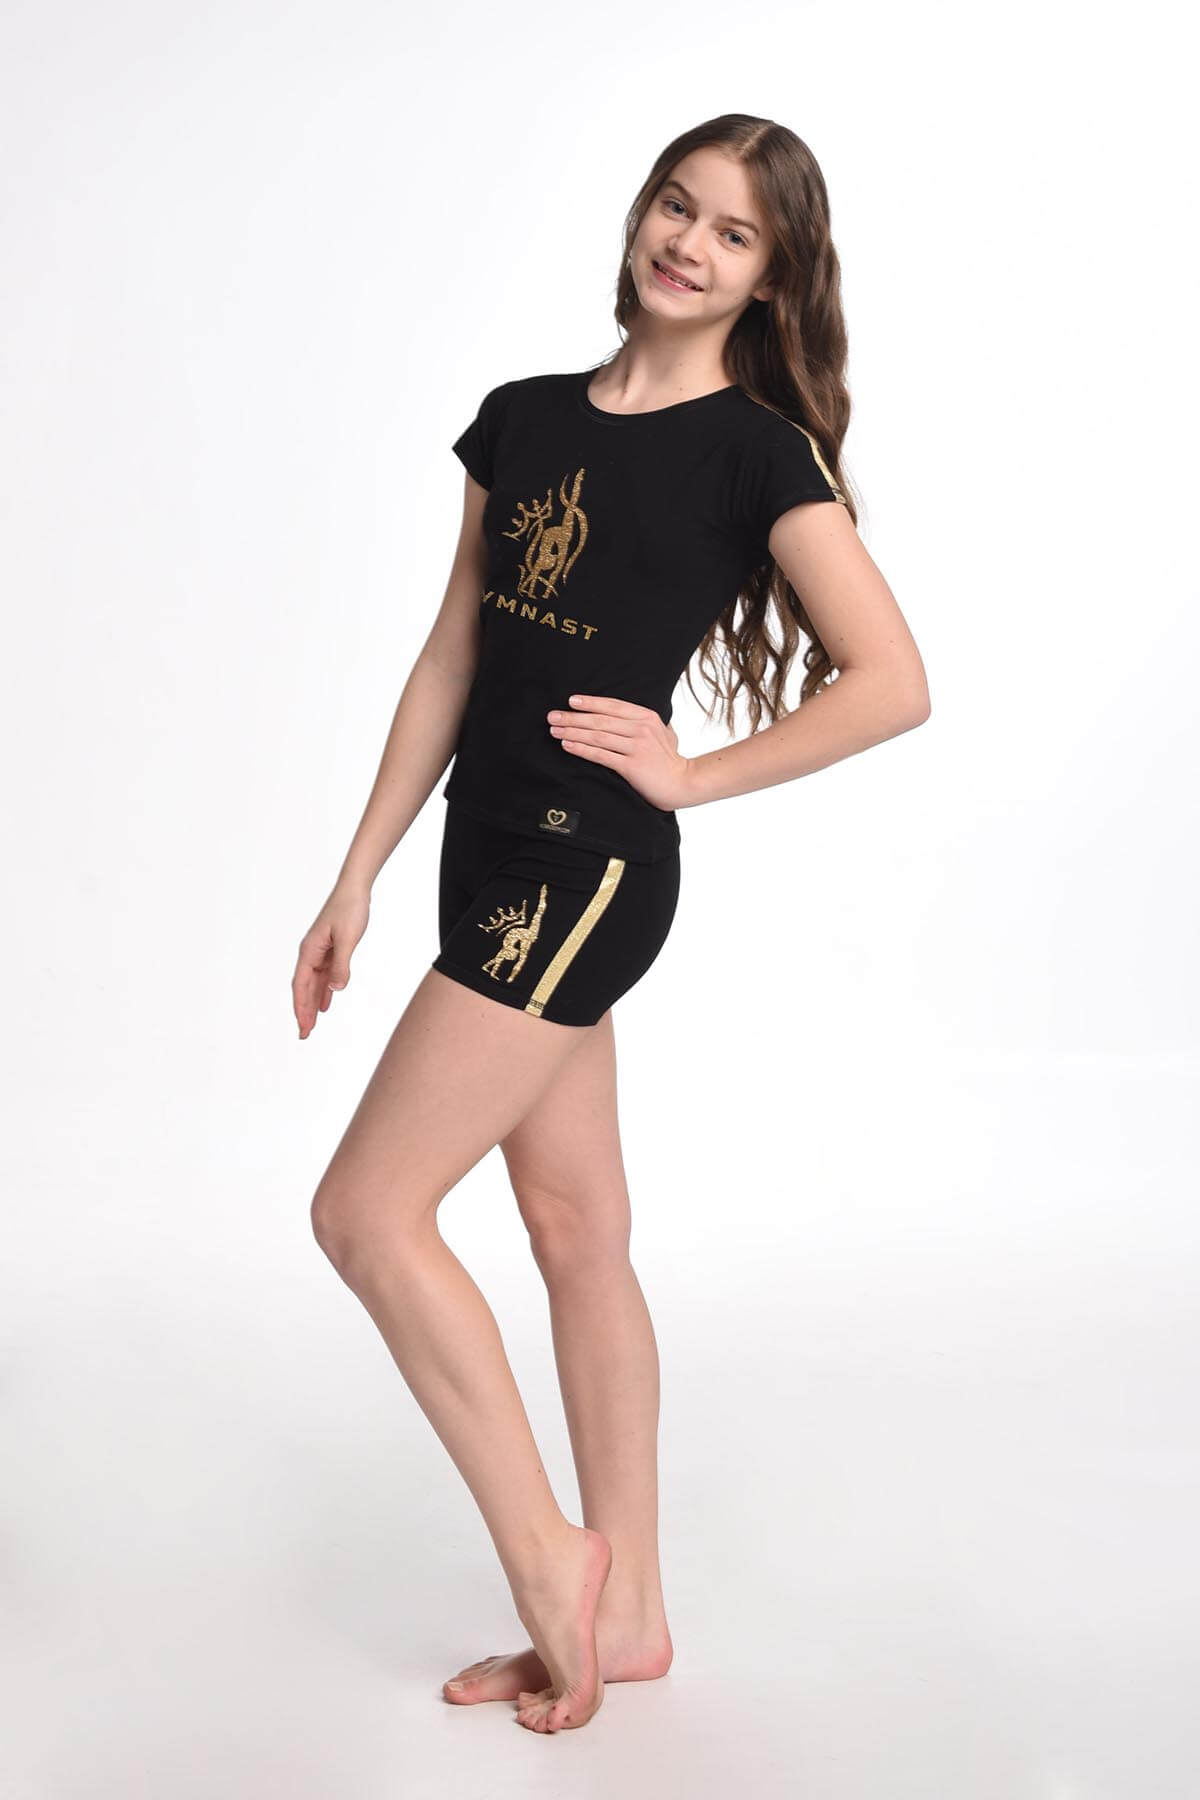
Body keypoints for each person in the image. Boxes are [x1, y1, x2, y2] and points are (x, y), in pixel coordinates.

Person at [292, 111, 930, 1736]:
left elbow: (894, 682)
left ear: (770, 280)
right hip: (483, 853)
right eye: (677, 206)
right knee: (576, 1230)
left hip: (584, 873)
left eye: (734, 233)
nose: (689, 245)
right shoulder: (519, 419)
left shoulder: (756, 454)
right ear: (643, 213)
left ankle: (551, 1564)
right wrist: (359, 873)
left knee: (365, 1212)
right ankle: (628, 1617)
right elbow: (453, 655)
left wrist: (692, 775)